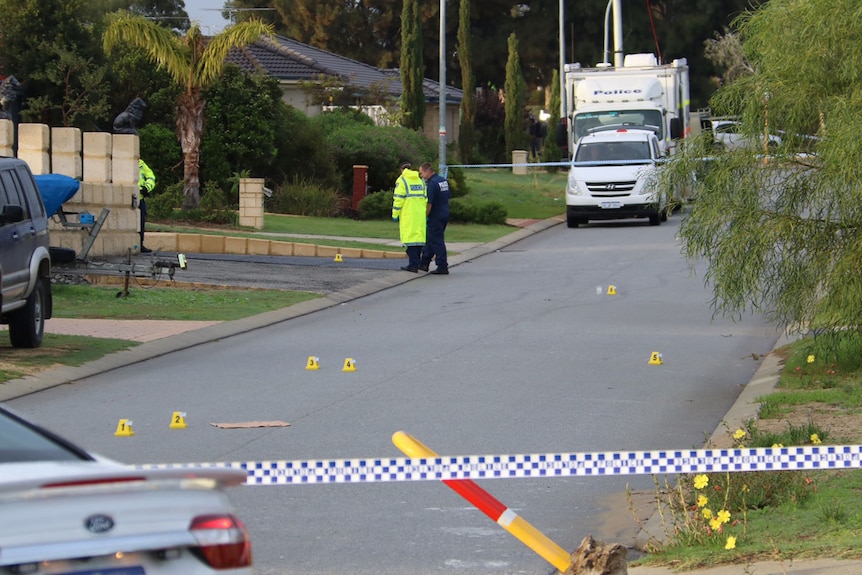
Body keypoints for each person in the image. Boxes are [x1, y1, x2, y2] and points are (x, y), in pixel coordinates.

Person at [391, 162, 427, 272]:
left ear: (402, 170)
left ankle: (413, 265)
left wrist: (395, 214)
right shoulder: (420, 180)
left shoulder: (401, 180)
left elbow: (398, 199)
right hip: (420, 214)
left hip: (408, 215)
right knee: (419, 239)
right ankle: (416, 263)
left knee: (410, 240)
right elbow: (425, 198)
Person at [418, 162, 450, 275]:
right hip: (444, 213)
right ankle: (424, 263)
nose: (421, 176)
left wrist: (425, 216)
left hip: (435, 215)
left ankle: (442, 265)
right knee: (431, 239)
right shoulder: (443, 181)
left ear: (427, 171)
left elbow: (429, 203)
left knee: (436, 241)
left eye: (421, 173)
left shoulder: (432, 184)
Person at [138, 158, 156, 253]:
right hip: (126, 197)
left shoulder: (141, 164)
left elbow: (151, 177)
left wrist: (147, 188)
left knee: (141, 222)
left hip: (140, 197)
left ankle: (140, 244)